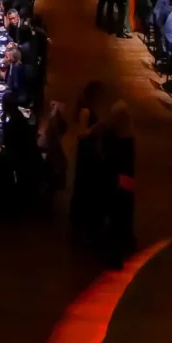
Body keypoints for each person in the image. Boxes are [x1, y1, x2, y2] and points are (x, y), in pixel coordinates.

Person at [99, 101, 136, 266]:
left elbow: (109, 160)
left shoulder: (113, 138)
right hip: (125, 182)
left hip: (115, 182)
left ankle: (114, 253)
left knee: (115, 216)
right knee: (124, 215)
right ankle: (125, 244)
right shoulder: (128, 138)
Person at [69, 82, 108, 239]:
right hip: (86, 150)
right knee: (84, 182)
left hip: (87, 149)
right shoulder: (86, 111)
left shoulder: (88, 109)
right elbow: (82, 133)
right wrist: (96, 128)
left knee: (83, 182)